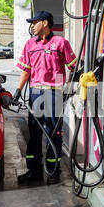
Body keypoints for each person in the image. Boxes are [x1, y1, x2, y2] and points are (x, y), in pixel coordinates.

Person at [13, 11, 77, 185]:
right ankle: (34, 171)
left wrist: (68, 88)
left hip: (54, 93)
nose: (31, 26)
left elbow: (74, 67)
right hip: (35, 93)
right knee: (34, 134)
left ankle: (53, 171)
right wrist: (18, 90)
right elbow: (26, 70)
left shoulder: (60, 43)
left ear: (45, 23)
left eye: (34, 22)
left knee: (53, 133)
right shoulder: (30, 44)